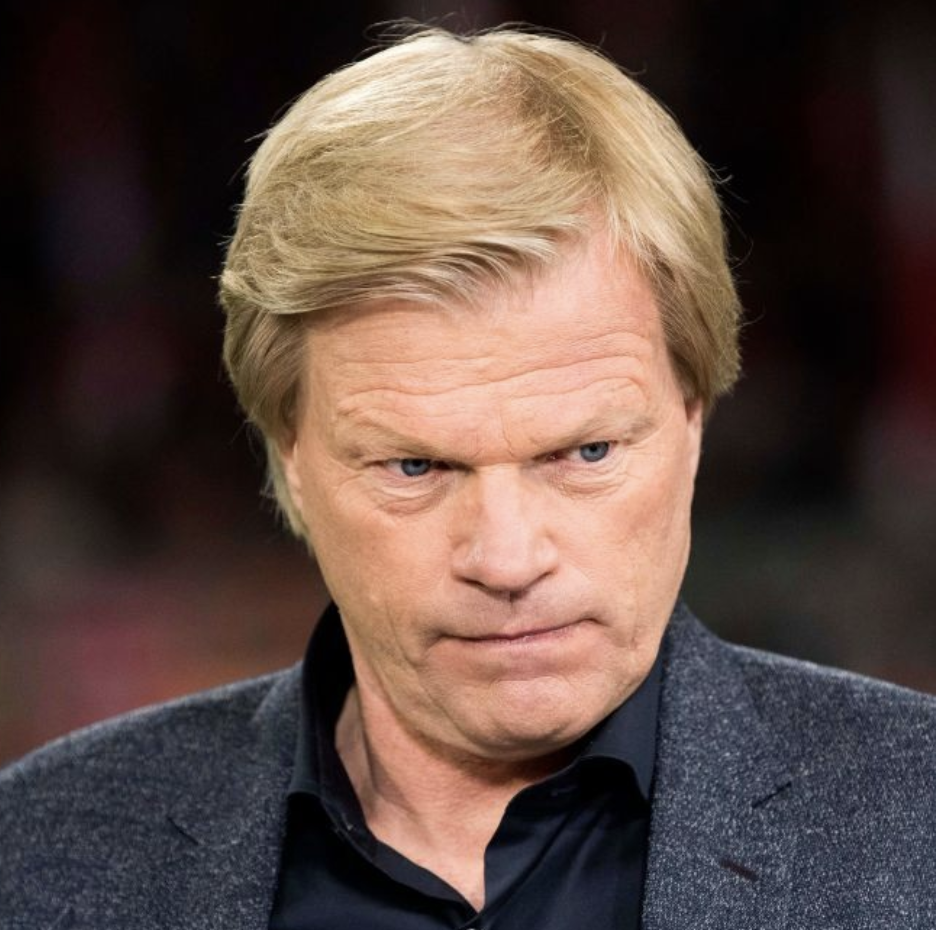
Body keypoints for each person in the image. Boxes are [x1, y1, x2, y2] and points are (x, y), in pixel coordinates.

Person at [2, 25, 935, 930]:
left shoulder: (916, 823)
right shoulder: (37, 857)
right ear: (289, 453)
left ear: (693, 420)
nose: (507, 558)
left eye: (585, 453)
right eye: (416, 465)